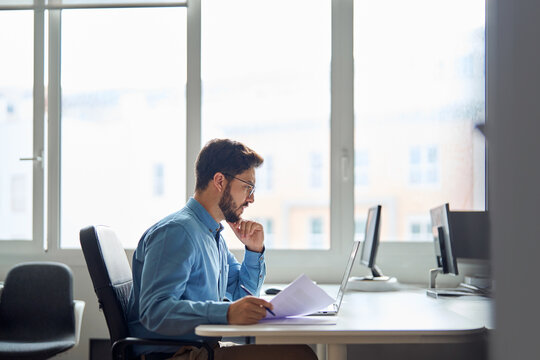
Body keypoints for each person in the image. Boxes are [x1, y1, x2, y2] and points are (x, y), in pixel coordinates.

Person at [126, 139, 317, 360]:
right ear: (219, 181)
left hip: (200, 350)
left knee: (299, 352)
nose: (251, 198)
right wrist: (226, 313)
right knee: (299, 355)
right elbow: (155, 312)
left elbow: (242, 295)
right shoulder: (177, 232)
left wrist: (253, 251)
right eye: (247, 187)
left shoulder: (212, 234)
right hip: (171, 355)